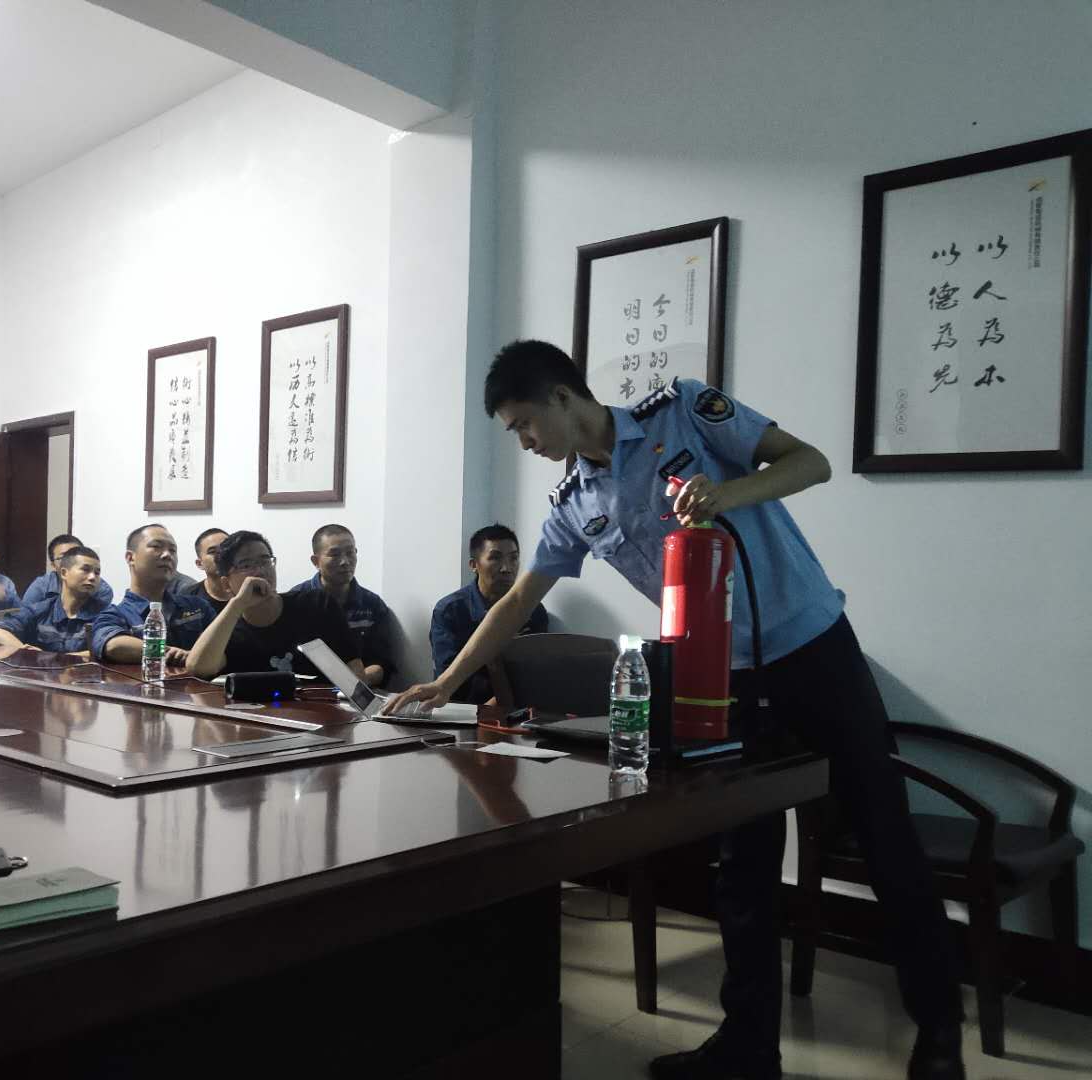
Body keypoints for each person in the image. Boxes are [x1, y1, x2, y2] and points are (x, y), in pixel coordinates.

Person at [388, 340, 965, 1080]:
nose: (525, 442)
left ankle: (939, 1035)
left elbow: (811, 463)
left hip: (815, 651)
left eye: (524, 423)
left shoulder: (686, 411)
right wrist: (446, 681)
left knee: (885, 838)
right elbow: (519, 600)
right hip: (722, 680)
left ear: (562, 396)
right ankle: (748, 1047)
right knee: (743, 865)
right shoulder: (574, 504)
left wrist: (726, 495)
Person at [183, 531, 362, 680]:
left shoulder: (316, 605)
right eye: (246, 565)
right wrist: (237, 603)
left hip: (319, 709)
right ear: (226, 584)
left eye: (265, 561)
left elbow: (354, 671)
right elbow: (199, 668)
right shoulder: (228, 627)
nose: (260, 571)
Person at [430, 524, 548, 704]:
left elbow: (536, 673)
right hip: (462, 710)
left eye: (513, 558)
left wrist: (501, 702)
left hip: (516, 708)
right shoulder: (450, 611)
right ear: (474, 565)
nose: (506, 568)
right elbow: (448, 678)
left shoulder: (534, 611)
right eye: (495, 558)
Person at [92, 524, 217, 667]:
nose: (167, 555)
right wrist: (168, 653)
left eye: (173, 550)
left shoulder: (197, 606)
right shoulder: (114, 614)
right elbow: (113, 645)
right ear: (130, 558)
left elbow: (220, 651)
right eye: (156, 547)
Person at [290, 524, 396, 687]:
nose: (345, 562)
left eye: (350, 553)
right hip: (306, 692)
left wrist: (354, 684)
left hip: (358, 691)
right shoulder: (296, 601)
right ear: (316, 561)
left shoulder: (371, 605)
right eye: (334, 554)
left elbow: (382, 662)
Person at [0, 546, 109, 655]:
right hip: (40, 673)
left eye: (97, 573)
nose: (92, 577)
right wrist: (26, 651)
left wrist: (54, 658)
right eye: (85, 570)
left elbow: (107, 651)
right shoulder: (41, 609)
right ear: (64, 573)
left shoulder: (105, 614)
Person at [22, 533, 115, 609]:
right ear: (53, 565)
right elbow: (25, 617)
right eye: (63, 557)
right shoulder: (41, 587)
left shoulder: (102, 589)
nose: (70, 562)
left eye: (75, 556)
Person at [185, 527, 233, 611]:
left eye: (226, 549)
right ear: (200, 564)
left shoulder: (249, 589)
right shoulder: (187, 598)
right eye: (213, 552)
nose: (222, 555)